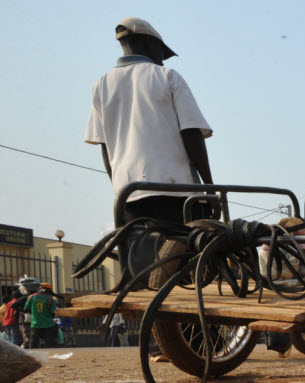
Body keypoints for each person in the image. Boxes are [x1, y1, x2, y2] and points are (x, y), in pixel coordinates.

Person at [85, 17, 215, 284]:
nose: (163, 59)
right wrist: (210, 188)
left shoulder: (102, 84)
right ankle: (202, 325)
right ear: (148, 43)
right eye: (161, 52)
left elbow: (106, 149)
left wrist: (120, 190)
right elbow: (191, 133)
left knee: (144, 273)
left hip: (130, 196)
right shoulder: (167, 76)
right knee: (194, 273)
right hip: (177, 192)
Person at [28, 284, 60, 349]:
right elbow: (53, 311)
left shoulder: (31, 297)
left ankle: (32, 356)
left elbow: (26, 308)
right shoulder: (51, 300)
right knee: (50, 343)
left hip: (35, 323)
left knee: (33, 343)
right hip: (48, 324)